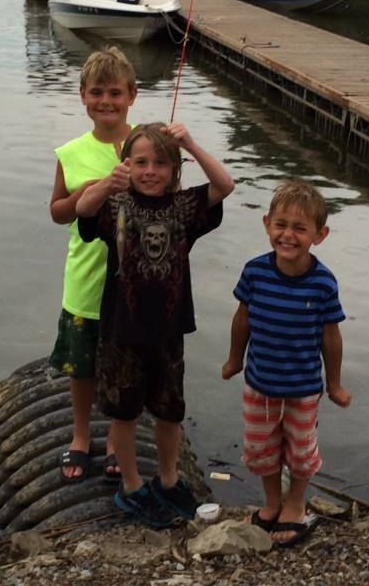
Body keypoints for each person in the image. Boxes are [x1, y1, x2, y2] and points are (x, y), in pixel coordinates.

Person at [76, 122, 234, 528]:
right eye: (140, 162)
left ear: (174, 170)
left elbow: (225, 184)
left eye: (161, 163)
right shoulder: (115, 206)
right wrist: (108, 184)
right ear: (126, 164)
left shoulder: (184, 209)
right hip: (122, 331)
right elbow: (82, 211)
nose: (150, 171)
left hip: (169, 331)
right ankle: (131, 487)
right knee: (124, 415)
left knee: (170, 413)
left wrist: (191, 143)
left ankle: (168, 479)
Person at [222, 180, 352, 548]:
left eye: (300, 228)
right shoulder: (255, 272)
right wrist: (234, 360)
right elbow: (242, 319)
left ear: (319, 235)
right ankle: (271, 502)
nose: (288, 235)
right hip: (259, 383)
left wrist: (335, 384)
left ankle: (295, 503)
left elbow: (331, 337)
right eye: (281, 225)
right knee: (261, 449)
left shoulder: (323, 283)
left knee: (300, 449)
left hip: (303, 388)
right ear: (267, 225)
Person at [49, 47, 137, 483]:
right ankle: (81, 436)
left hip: (135, 282)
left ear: (131, 96)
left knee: (128, 363)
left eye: (115, 93)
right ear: (83, 96)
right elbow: (58, 212)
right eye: (97, 92)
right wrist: (95, 189)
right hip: (85, 280)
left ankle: (122, 440)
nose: (106, 101)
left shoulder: (149, 144)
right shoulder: (70, 153)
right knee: (82, 367)